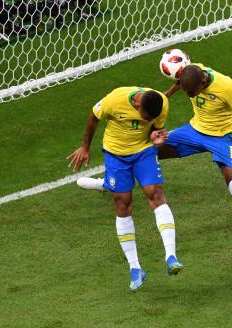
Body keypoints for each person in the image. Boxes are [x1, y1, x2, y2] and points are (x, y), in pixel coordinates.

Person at [77, 62, 232, 258]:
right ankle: (110, 182)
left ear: (202, 82)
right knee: (144, 151)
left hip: (223, 138)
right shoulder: (192, 72)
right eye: (186, 91)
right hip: (193, 131)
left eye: (192, 92)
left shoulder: (227, 87)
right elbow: (179, 82)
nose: (190, 96)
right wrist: (165, 95)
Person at [67, 87, 183, 292]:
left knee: (155, 194)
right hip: (116, 154)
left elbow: (153, 130)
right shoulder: (114, 99)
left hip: (143, 150)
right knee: (123, 204)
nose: (145, 120)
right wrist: (84, 146)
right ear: (136, 103)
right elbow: (94, 118)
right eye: (144, 116)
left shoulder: (161, 104)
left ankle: (171, 256)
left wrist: (155, 141)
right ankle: (135, 268)